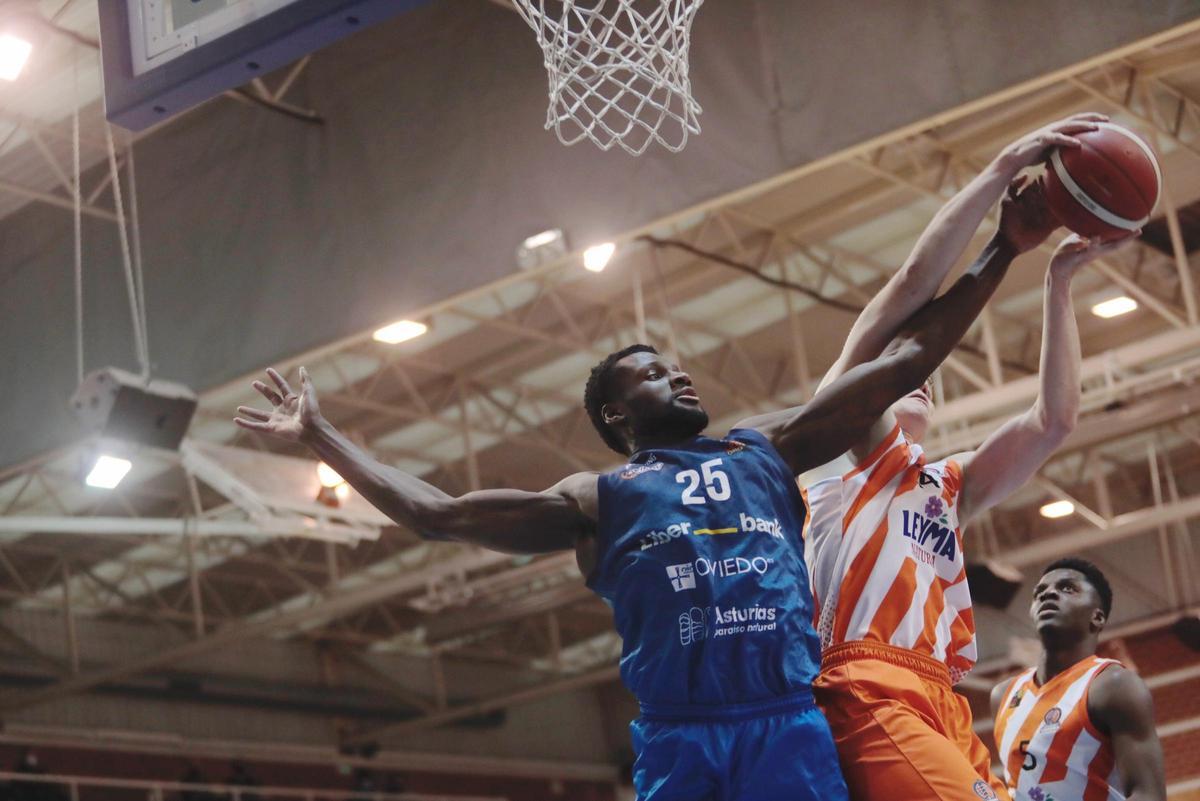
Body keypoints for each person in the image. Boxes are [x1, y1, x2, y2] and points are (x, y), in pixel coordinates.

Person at [235, 128, 1034, 800]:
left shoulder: (762, 448)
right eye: (652, 374)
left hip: (786, 722)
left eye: (676, 366)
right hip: (683, 739)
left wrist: (1004, 247)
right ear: (617, 415)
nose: (678, 375)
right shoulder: (598, 499)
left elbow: (901, 363)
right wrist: (321, 434)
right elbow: (437, 514)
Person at [801, 113, 1139, 801]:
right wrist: (999, 170)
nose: (921, 377)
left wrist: (1059, 281)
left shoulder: (946, 487)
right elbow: (903, 291)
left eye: (928, 377)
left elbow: (1053, 421)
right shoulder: (847, 448)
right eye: (908, 368)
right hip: (865, 682)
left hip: (940, 696)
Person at [991, 558, 1166, 801]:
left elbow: (1149, 795)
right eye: (1039, 592)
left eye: (1067, 588)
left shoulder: (1113, 686)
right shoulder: (1003, 695)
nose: (1048, 594)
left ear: (1097, 617)